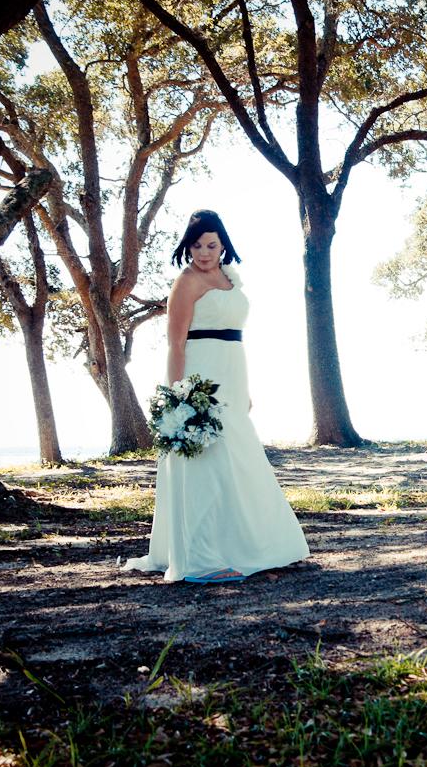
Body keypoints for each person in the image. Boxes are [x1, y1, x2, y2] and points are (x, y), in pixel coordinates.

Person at [123, 210, 310, 583]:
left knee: (238, 461)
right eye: (196, 245)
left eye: (211, 245)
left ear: (223, 244)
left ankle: (249, 547)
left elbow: (233, 339)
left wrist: (244, 388)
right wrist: (179, 396)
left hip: (232, 377)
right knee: (204, 465)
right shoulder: (187, 282)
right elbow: (176, 345)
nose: (204, 253)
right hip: (199, 380)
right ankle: (200, 558)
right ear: (188, 247)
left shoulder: (229, 278)